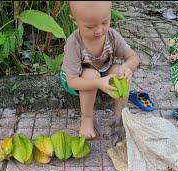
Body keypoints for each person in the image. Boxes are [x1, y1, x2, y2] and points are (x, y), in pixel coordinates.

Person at [60, 1, 141, 139]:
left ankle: (120, 115)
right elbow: (72, 81)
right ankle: (86, 118)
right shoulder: (74, 44)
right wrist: (98, 83)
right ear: (75, 20)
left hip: (103, 71)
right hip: (78, 78)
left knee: (118, 72)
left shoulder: (112, 36)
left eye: (104, 22)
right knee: (91, 75)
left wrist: (126, 67)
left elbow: (134, 57)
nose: (99, 31)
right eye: (90, 26)